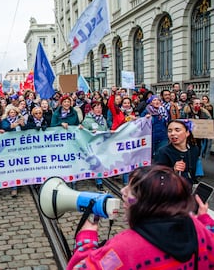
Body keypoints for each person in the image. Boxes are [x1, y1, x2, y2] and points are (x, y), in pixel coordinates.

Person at [67, 165, 214, 269]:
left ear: (146, 202)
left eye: (131, 190)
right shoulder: (196, 227)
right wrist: (204, 219)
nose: (123, 191)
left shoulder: (124, 248)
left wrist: (86, 238)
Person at [155, 119, 200, 184]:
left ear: (187, 133)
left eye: (177, 130)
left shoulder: (194, 149)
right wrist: (173, 170)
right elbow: (157, 177)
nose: (172, 133)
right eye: (169, 131)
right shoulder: (163, 152)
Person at [81, 101, 108, 191]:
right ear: (92, 110)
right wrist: (89, 133)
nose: (99, 110)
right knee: (97, 163)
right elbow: (83, 133)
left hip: (101, 145)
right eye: (96, 108)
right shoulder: (87, 120)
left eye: (100, 108)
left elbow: (105, 129)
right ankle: (99, 182)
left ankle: (97, 178)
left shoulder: (103, 119)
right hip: (92, 145)